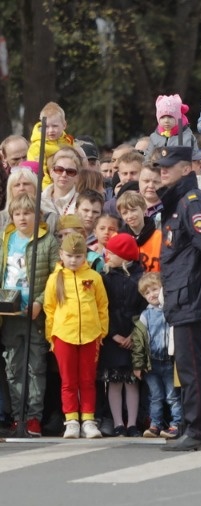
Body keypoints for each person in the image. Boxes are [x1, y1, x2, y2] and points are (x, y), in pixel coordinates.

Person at [155, 146, 201, 451]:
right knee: (197, 363)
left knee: (191, 365)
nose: (162, 170)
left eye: (169, 165)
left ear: (187, 169)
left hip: (189, 292)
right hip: (184, 291)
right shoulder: (179, 202)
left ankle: (199, 428)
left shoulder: (190, 201)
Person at [1, 194, 60, 437]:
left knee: (35, 367)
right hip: (10, 314)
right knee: (13, 367)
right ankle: (18, 417)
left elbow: (56, 277)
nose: (22, 218)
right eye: (18, 214)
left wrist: (39, 302)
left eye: (27, 213)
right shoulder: (7, 239)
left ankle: (34, 417)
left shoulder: (48, 241)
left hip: (35, 314)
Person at [43, 232, 108, 439]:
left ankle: (88, 419)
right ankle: (71, 419)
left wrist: (101, 332)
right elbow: (49, 308)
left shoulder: (94, 277)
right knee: (68, 381)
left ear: (85, 257)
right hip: (63, 335)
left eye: (78, 256)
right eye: (69, 256)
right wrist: (51, 337)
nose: (73, 260)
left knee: (88, 379)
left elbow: (102, 306)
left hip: (90, 335)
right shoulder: (54, 279)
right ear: (61, 254)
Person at [99, 233, 147, 437]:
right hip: (113, 337)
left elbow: (145, 309)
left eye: (112, 252)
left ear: (124, 255)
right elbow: (102, 309)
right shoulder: (105, 278)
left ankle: (132, 423)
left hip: (132, 335)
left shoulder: (140, 278)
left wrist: (133, 335)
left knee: (132, 381)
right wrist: (113, 334)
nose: (107, 255)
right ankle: (118, 422)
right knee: (114, 381)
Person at [136, 273, 181, 439]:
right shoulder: (145, 315)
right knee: (155, 396)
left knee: (173, 396)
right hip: (152, 363)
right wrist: (138, 364)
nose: (152, 294)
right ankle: (155, 424)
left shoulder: (171, 311)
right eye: (147, 293)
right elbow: (139, 342)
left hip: (169, 361)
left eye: (155, 289)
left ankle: (176, 423)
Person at [27, 102, 74, 189]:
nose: (50, 130)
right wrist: (49, 190)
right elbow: (39, 171)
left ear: (64, 125)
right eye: (46, 127)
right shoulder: (37, 146)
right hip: (47, 190)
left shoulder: (68, 141)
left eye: (55, 126)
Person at [116, 191, 162, 273]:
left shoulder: (160, 236)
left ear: (144, 209)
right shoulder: (117, 239)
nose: (130, 216)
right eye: (125, 213)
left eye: (133, 210)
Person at [144, 94, 197, 161]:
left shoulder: (187, 137)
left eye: (170, 117)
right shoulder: (154, 137)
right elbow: (148, 159)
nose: (166, 121)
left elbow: (194, 159)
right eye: (162, 117)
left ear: (178, 117)